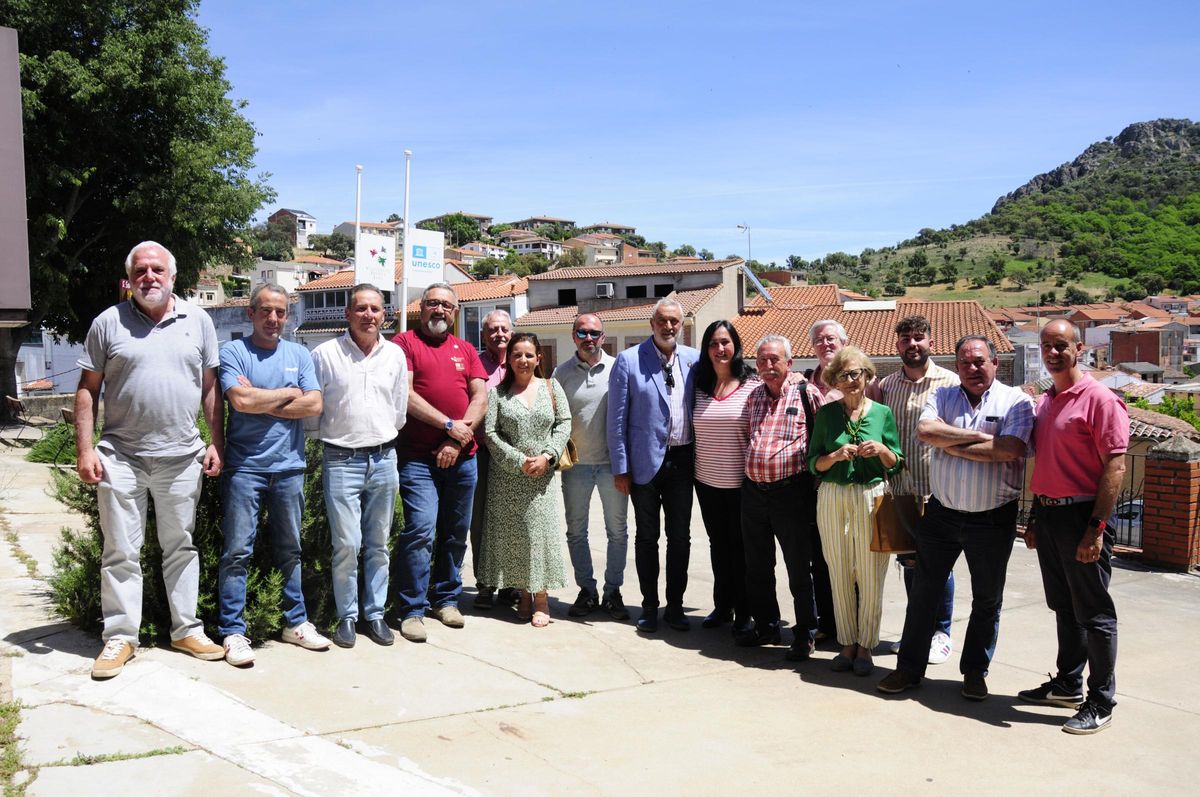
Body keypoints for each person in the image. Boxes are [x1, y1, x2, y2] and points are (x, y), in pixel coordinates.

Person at [75, 241, 226, 678]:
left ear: (172, 276)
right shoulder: (108, 323)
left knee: (181, 546)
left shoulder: (198, 321)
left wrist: (214, 441)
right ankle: (120, 637)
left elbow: (210, 387)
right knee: (121, 550)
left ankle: (186, 630)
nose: (149, 277)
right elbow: (88, 389)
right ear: (130, 278)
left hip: (182, 457)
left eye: (157, 269)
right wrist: (85, 450)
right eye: (140, 270)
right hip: (120, 457)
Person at [877, 336, 1034, 700]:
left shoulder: (1016, 401)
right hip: (942, 514)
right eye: (965, 363)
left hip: (993, 520)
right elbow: (926, 431)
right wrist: (982, 438)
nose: (972, 368)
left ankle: (975, 673)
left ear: (995, 362)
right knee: (922, 594)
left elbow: (1010, 449)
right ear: (958, 366)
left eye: (979, 361)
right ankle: (908, 670)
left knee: (987, 600)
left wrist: (953, 443)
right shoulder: (945, 396)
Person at [1019, 319, 1127, 734]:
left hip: (1083, 516)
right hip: (1049, 516)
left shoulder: (1100, 399)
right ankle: (1068, 683)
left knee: (1095, 613)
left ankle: (1101, 700)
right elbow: (1045, 464)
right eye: (1046, 345)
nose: (1052, 352)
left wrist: (1096, 528)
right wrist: (1034, 518)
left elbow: (1115, 467)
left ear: (1079, 349)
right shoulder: (1048, 401)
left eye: (1060, 345)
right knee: (1064, 607)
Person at [218, 284, 330, 666]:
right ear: (250, 314)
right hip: (244, 469)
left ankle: (294, 622)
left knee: (290, 550)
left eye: (281, 312)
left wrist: (264, 399)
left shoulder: (299, 353)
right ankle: (233, 631)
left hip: (289, 468)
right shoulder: (233, 351)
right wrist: (287, 393)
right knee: (237, 552)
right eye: (265, 311)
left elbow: (314, 403)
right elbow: (240, 400)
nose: (273, 319)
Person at [310, 283, 407, 649]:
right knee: (347, 544)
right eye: (361, 308)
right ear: (348, 314)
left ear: (385, 315)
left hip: (384, 457)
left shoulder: (395, 356)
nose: (369, 315)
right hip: (341, 460)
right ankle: (347, 616)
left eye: (375, 309)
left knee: (379, 543)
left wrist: (380, 436)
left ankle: (375, 614)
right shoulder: (324, 354)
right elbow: (314, 408)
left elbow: (398, 411)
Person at [391, 283, 488, 643]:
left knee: (454, 532)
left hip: (463, 458)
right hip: (417, 458)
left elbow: (480, 395)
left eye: (446, 306)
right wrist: (448, 425)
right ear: (421, 308)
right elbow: (406, 394)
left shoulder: (465, 349)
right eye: (432, 303)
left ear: (455, 312)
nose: (439, 310)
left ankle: (446, 599)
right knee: (420, 530)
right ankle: (411, 609)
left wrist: (455, 437)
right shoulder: (404, 344)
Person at [809, 346, 903, 677]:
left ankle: (866, 645)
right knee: (839, 570)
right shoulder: (826, 414)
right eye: (843, 375)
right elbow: (814, 464)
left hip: (872, 495)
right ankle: (847, 643)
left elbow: (897, 460)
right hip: (834, 496)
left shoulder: (881, 413)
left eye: (856, 374)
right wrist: (834, 456)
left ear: (867, 376)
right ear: (833, 379)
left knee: (871, 572)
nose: (850, 380)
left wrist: (880, 450)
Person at [608, 298, 700, 633]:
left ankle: (675, 607)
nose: (669, 327)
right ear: (652, 323)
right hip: (644, 463)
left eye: (674, 321)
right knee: (647, 538)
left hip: (683, 460)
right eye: (662, 321)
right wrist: (621, 467)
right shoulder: (629, 360)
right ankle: (649, 607)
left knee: (680, 538)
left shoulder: (693, 360)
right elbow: (616, 420)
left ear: (682, 324)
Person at [878, 316, 959, 664]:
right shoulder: (886, 386)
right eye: (906, 339)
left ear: (930, 341)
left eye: (919, 338)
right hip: (901, 490)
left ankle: (941, 631)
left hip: (939, 490)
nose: (913, 344)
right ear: (897, 345)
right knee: (910, 563)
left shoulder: (950, 382)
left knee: (940, 565)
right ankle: (919, 628)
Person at [739, 335, 825, 661]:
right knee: (758, 566)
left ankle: (805, 632)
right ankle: (766, 626)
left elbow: (820, 442)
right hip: (754, 493)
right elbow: (749, 437)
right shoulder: (754, 397)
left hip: (791, 493)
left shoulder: (807, 394)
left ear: (789, 363)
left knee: (799, 567)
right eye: (762, 360)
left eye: (774, 359)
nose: (768, 366)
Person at [479, 333, 573, 627]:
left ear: (538, 358)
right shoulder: (497, 394)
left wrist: (548, 455)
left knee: (540, 536)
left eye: (528, 355)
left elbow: (564, 423)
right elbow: (490, 434)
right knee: (516, 538)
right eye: (516, 354)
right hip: (508, 478)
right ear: (509, 359)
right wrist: (519, 461)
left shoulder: (551, 387)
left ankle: (542, 598)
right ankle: (523, 594)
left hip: (542, 477)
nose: (523, 360)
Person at [553, 314, 630, 621]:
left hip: (613, 466)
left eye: (594, 333)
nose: (588, 338)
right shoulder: (561, 373)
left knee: (618, 533)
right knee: (576, 532)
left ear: (603, 336)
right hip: (577, 467)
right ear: (573, 336)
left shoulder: (618, 369)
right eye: (582, 332)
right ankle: (587, 590)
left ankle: (613, 592)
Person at [691, 320, 756, 635]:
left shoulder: (751, 385)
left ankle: (746, 611)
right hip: (706, 483)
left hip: (742, 485)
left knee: (742, 549)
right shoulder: (699, 386)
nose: (720, 349)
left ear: (736, 346)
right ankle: (723, 605)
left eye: (725, 342)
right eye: (714, 343)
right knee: (719, 546)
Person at [472, 309, 515, 609]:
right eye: (493, 329)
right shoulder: (475, 365)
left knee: (512, 520)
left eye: (504, 329)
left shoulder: (521, 362)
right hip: (482, 453)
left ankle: (511, 583)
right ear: (484, 335)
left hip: (515, 456)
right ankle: (485, 582)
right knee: (481, 521)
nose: (499, 334)